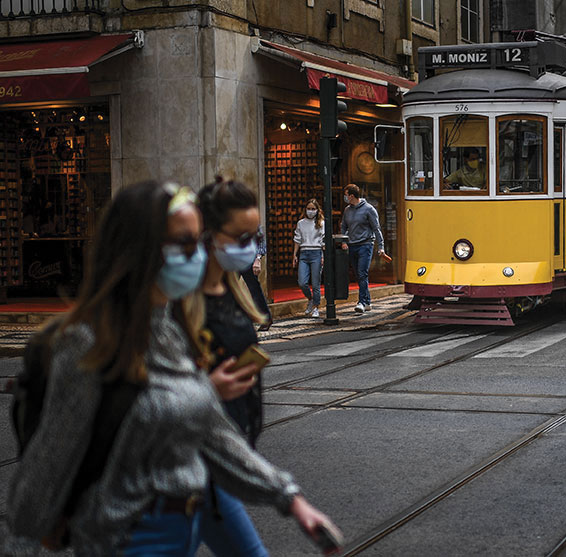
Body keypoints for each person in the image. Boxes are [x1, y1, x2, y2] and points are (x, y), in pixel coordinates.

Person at [3, 180, 338, 556]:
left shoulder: (166, 333)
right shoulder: (89, 341)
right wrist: (21, 544)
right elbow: (48, 464)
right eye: (185, 243)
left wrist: (291, 500)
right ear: (139, 247)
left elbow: (214, 433)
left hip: (185, 528)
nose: (197, 255)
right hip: (128, 536)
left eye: (198, 241)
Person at [186, 178, 275, 556]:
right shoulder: (176, 301)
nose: (250, 247)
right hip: (183, 467)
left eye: (254, 237)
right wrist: (208, 388)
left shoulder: (232, 290)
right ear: (207, 235)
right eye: (241, 237)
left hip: (219, 458)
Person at [340, 184, 386, 313]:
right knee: (359, 275)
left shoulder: (368, 209)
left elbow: (376, 228)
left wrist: (381, 246)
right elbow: (344, 226)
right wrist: (344, 240)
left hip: (365, 245)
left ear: (351, 196)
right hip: (352, 245)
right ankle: (367, 302)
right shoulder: (347, 210)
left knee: (362, 273)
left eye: (346, 195)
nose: (345, 197)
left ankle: (362, 302)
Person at [293, 199, 325, 318]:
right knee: (302, 282)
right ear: (305, 210)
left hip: (316, 252)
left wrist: (323, 256)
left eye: (313, 209)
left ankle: (316, 307)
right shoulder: (301, 223)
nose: (310, 211)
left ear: (317, 210)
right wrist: (294, 255)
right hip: (304, 253)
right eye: (309, 209)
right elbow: (297, 239)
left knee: (316, 283)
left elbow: (323, 240)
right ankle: (310, 299)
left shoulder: (321, 223)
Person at [241, 224, 273, 332]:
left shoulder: (249, 216)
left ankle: (266, 319)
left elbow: (260, 240)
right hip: (231, 259)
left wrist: (257, 259)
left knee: (254, 288)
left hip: (248, 258)